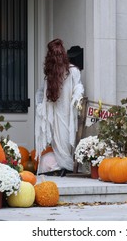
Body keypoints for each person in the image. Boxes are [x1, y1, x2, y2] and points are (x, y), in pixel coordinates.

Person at [35, 38, 84, 176]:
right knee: (58, 140)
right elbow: (42, 93)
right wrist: (40, 107)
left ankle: (67, 166)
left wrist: (76, 97)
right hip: (55, 114)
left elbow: (78, 86)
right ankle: (64, 166)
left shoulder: (73, 71)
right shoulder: (50, 76)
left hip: (68, 113)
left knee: (66, 140)